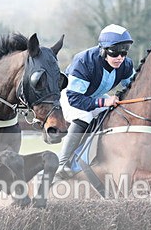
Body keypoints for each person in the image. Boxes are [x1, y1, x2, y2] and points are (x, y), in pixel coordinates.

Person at [57, 24, 134, 177]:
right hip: (69, 96)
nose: (119, 58)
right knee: (84, 116)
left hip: (93, 96)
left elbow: (132, 87)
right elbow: (75, 99)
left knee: (116, 112)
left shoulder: (125, 64)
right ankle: (62, 163)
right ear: (103, 50)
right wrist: (103, 102)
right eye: (114, 53)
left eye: (124, 52)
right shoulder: (84, 61)